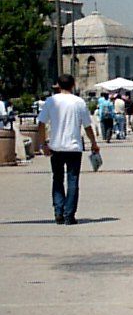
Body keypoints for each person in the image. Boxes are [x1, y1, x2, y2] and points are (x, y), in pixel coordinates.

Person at [37, 74, 100, 225]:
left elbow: (41, 124)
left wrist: (43, 144)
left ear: (58, 85)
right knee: (73, 180)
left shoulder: (50, 101)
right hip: (74, 147)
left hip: (56, 146)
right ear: (73, 85)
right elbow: (87, 126)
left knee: (57, 179)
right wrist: (93, 143)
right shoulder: (79, 102)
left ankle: (59, 211)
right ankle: (69, 215)